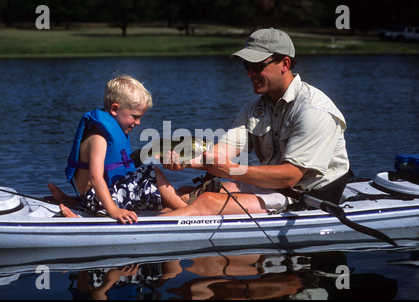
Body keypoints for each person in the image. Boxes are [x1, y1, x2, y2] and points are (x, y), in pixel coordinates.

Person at [159, 28, 351, 217]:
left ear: (285, 63)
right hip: (272, 188)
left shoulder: (313, 110)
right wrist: (183, 161)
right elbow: (220, 154)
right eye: (246, 66)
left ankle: (136, 238)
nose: (249, 74)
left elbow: (289, 176)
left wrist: (231, 170)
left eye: (257, 66)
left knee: (207, 202)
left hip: (310, 196)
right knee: (188, 194)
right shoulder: (253, 109)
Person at [50, 75, 186, 223]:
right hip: (97, 200)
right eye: (135, 116)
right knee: (153, 173)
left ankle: (74, 204)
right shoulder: (99, 138)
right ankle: (191, 211)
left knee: (162, 202)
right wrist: (114, 211)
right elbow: (96, 178)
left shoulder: (108, 132)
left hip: (100, 198)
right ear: (115, 109)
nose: (139, 122)